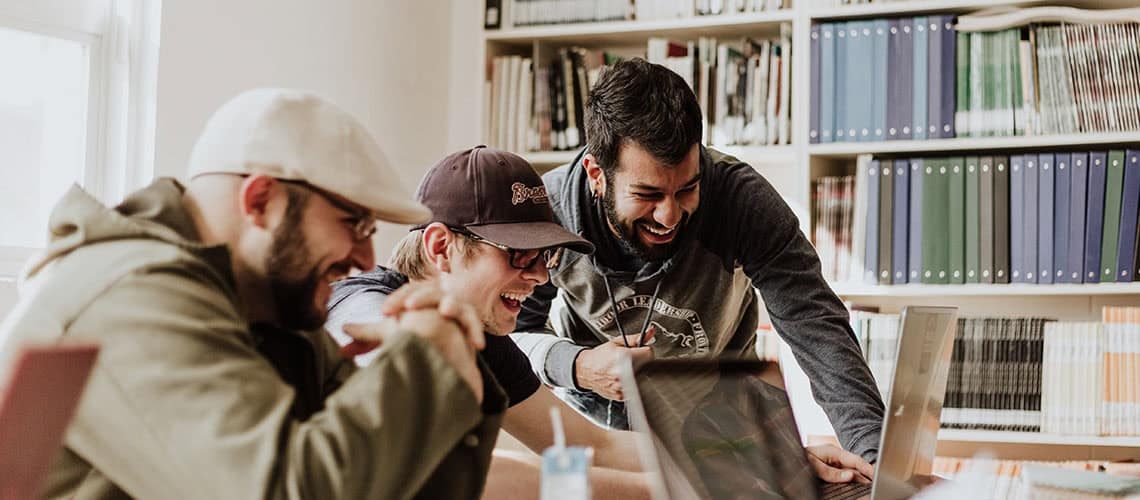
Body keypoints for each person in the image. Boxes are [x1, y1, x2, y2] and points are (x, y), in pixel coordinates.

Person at [0, 89, 503, 499]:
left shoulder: (271, 310)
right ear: (260, 200)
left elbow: (398, 486)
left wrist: (455, 363)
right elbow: (288, 491)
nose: (367, 260)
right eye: (355, 223)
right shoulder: (130, 295)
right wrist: (421, 359)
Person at [510, 58, 888, 466]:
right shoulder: (549, 214)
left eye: (687, 188)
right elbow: (511, 335)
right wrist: (576, 365)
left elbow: (818, 328)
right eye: (648, 195)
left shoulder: (741, 201)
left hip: (722, 428)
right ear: (596, 174)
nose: (669, 215)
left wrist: (875, 463)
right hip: (597, 437)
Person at [325, 146, 652, 499]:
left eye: (545, 256)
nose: (541, 276)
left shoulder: (480, 334)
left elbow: (593, 446)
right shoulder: (361, 305)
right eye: (520, 254)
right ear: (440, 247)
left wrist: (704, 460)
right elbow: (451, 472)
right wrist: (653, 491)